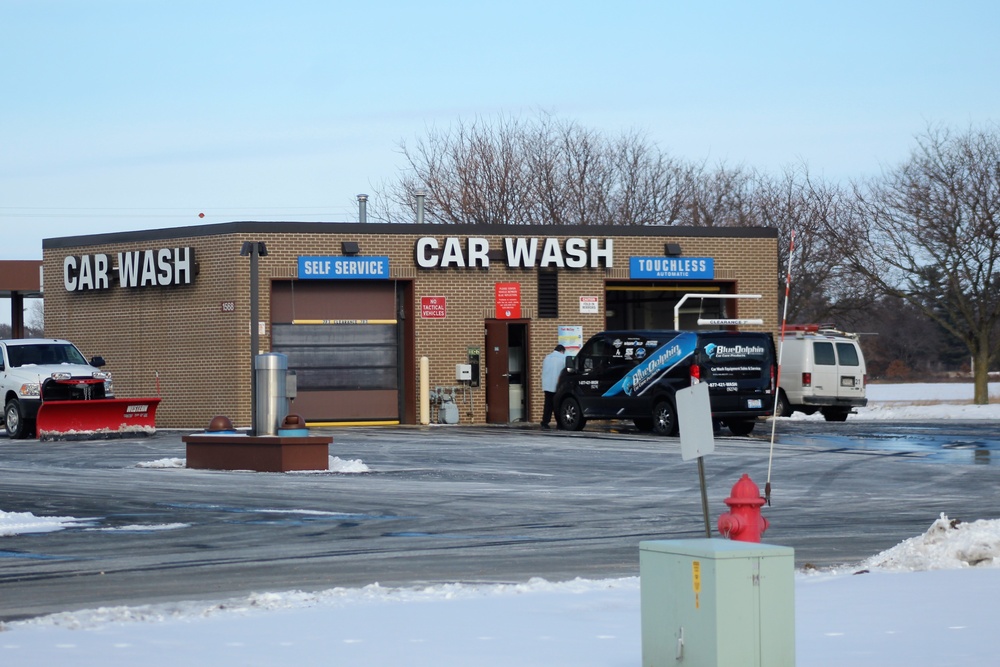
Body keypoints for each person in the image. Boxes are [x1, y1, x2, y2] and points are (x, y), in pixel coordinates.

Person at [540, 344, 566, 429]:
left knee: (548, 404)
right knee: (557, 405)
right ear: (562, 351)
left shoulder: (547, 357)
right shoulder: (562, 358)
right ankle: (560, 423)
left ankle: (545, 422)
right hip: (557, 386)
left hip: (547, 385)